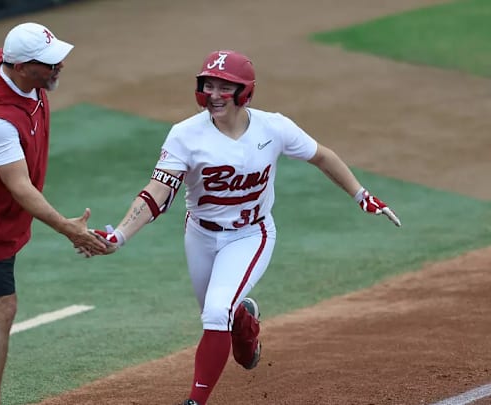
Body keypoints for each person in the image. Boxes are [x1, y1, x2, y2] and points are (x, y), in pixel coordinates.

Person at [88, 50, 401, 405]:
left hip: (252, 234)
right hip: (200, 235)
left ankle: (194, 401)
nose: (215, 94)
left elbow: (322, 156)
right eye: (209, 84)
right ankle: (246, 323)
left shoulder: (274, 128)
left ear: (245, 91)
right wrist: (120, 234)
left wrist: (361, 195)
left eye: (225, 86)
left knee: (215, 311)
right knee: (219, 313)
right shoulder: (184, 135)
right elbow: (158, 192)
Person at [0, 22, 107, 405]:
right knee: (2, 307)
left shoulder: (18, 73)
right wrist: (69, 229)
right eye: (49, 62)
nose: (59, 65)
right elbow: (20, 187)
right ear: (22, 66)